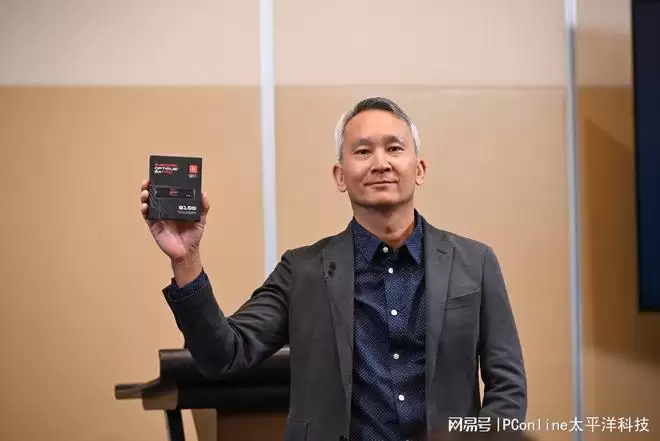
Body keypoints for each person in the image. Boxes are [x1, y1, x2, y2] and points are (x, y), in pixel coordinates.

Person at [139, 97, 527, 441]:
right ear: (340, 176)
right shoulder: (302, 270)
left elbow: (507, 387)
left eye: (394, 148)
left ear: (419, 168)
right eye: (363, 151)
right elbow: (223, 356)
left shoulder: (475, 263)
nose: (381, 163)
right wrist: (185, 259)